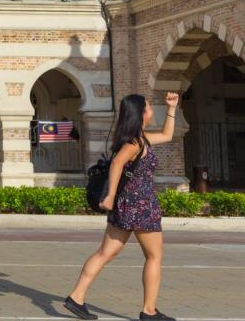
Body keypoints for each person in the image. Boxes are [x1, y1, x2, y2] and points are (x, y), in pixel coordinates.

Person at [64, 92, 180, 321]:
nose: (150, 112)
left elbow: (167, 135)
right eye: (147, 108)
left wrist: (172, 108)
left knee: (107, 252)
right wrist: (110, 195)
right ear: (140, 114)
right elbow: (117, 163)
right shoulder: (135, 142)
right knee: (155, 256)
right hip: (141, 205)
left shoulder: (139, 139)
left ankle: (76, 298)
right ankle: (149, 311)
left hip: (127, 206)